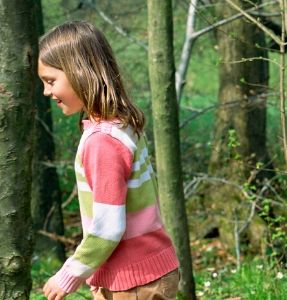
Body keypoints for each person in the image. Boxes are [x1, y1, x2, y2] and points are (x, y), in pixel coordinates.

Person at [38, 21, 180, 300]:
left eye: (51, 81)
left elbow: (109, 226)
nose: (46, 92)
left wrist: (70, 273)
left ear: (80, 72)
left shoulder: (103, 142)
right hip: (144, 272)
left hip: (134, 283)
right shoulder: (122, 125)